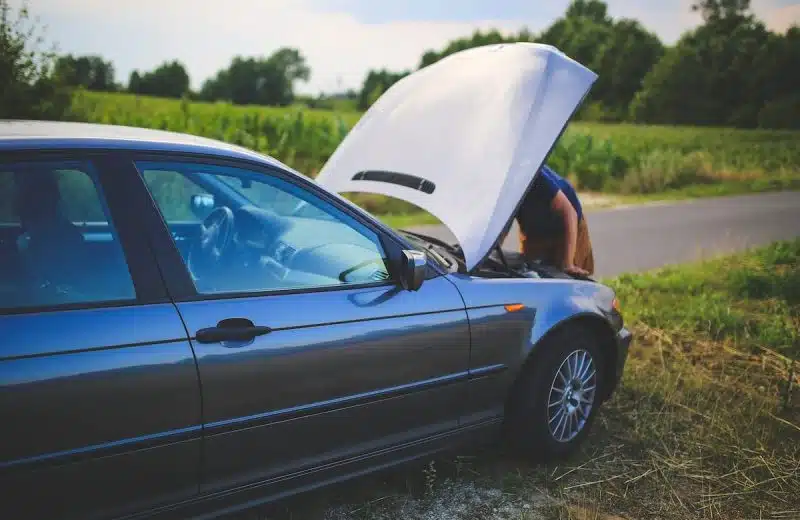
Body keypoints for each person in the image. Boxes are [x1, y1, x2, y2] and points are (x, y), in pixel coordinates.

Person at [514, 165, 594, 276]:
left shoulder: (533, 174)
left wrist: (568, 264)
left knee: (566, 275)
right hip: (533, 230)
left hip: (566, 226)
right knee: (527, 272)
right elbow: (501, 224)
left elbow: (569, 212)